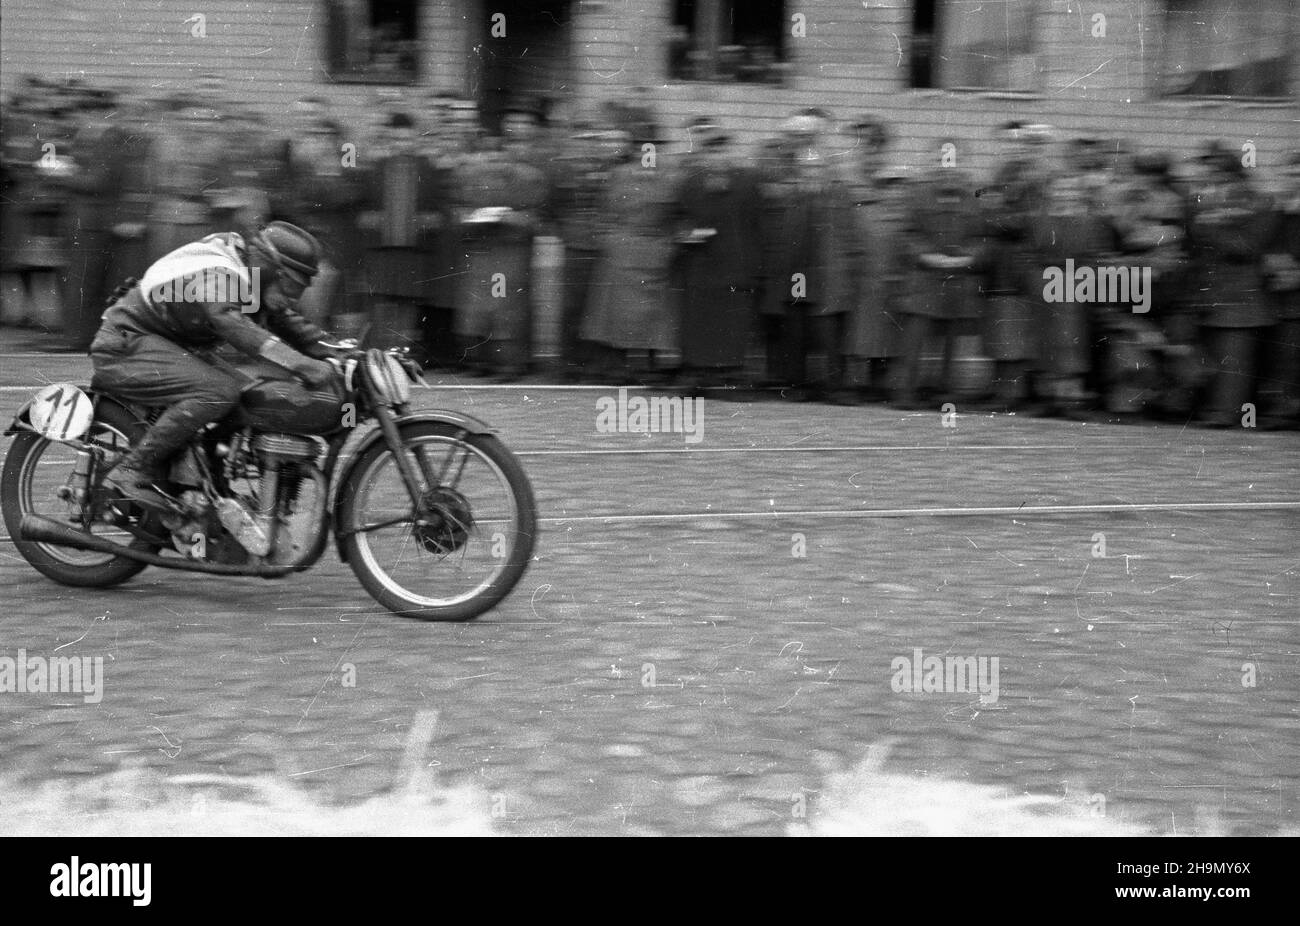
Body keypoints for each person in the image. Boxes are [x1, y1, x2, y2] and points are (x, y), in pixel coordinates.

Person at [89, 222, 344, 507]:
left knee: (248, 394)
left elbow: (283, 319)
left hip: (165, 344)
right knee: (218, 392)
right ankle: (132, 469)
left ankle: (211, 483)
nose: (291, 298)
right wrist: (300, 364)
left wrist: (336, 351)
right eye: (290, 286)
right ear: (272, 269)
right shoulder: (222, 275)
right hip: (127, 342)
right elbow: (228, 320)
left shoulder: (246, 274)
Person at [673, 117, 764, 388]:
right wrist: (685, 234)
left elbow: (758, 224)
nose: (717, 155)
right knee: (699, 321)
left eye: (721, 148)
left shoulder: (748, 182)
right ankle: (699, 373)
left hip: (737, 264)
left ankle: (728, 373)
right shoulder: (690, 183)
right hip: (701, 265)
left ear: (730, 150)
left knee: (733, 320)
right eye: (711, 150)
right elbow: (678, 216)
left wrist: (754, 263)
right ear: (704, 153)